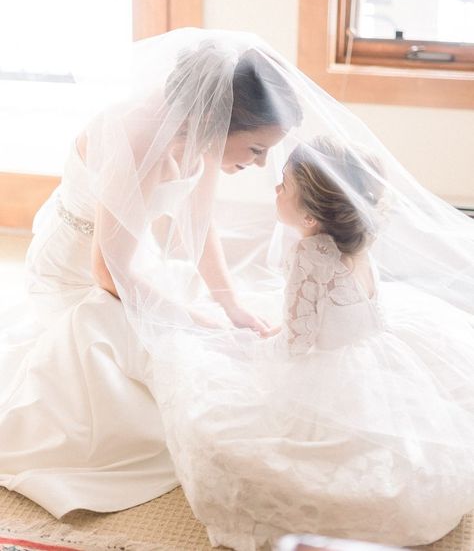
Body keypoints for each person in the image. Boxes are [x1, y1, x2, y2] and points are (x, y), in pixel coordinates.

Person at [0, 29, 302, 516]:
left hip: (127, 259)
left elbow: (202, 230)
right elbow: (105, 271)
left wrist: (230, 304)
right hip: (77, 273)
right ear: (219, 121)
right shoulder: (139, 137)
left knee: (206, 338)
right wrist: (192, 321)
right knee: (147, 378)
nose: (261, 163)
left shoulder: (199, 129)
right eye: (255, 149)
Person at [149, 135, 474, 550]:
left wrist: (252, 347)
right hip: (371, 348)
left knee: (214, 392)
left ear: (309, 219)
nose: (275, 188)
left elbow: (297, 342)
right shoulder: (356, 238)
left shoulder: (309, 257)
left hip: (327, 364)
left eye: (284, 185)